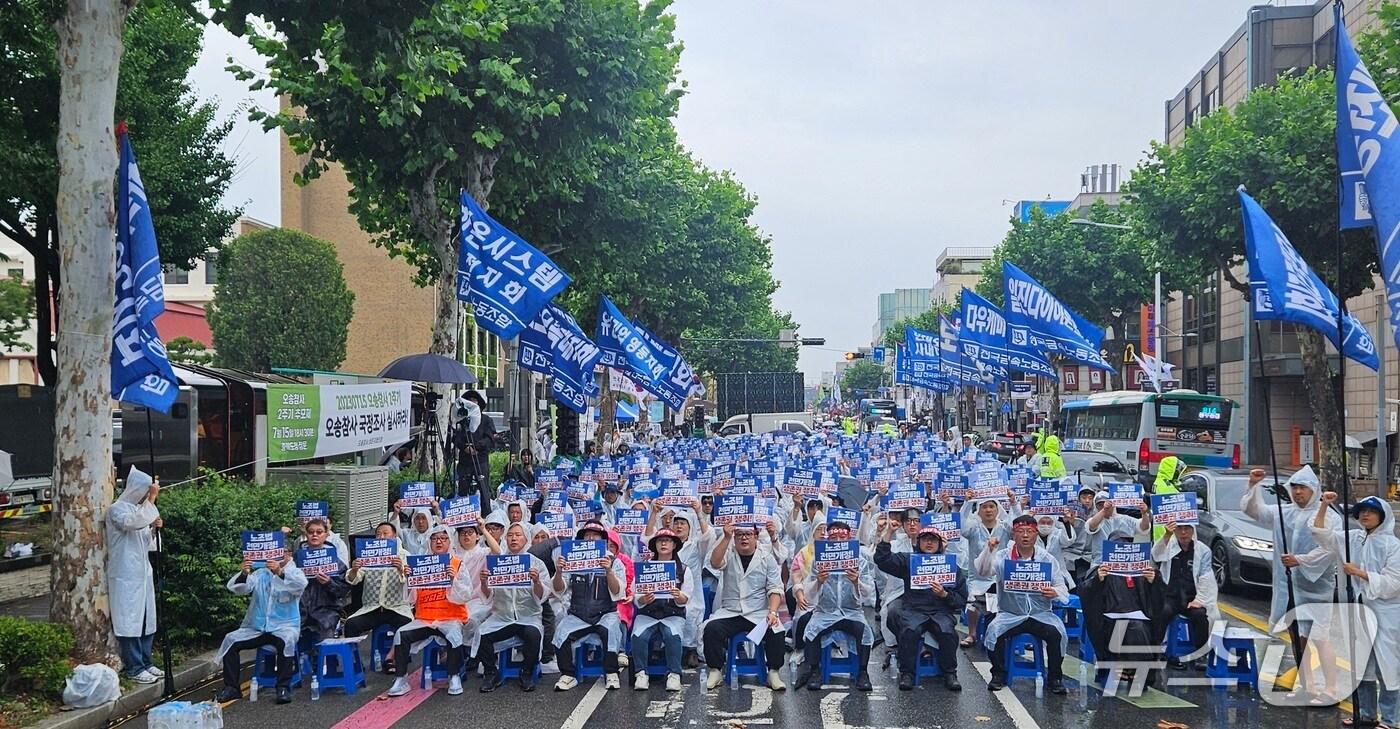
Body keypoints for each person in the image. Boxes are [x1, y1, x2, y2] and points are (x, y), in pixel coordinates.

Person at [1241, 465, 1341, 701]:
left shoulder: (1329, 516)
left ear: (1314, 490)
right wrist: (1253, 485)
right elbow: (1254, 510)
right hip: (1288, 589)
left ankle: (1331, 688)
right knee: (1297, 637)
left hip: (1315, 589)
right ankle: (1308, 687)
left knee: (1319, 638)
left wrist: (1301, 560)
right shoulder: (1285, 512)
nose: (1298, 493)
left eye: (1303, 488)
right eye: (1294, 487)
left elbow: (1330, 549)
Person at [1313, 493, 1400, 728]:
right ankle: (1365, 713)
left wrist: (1360, 573)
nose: (1365, 515)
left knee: (1387, 666)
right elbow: (1322, 535)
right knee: (1362, 665)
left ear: (1382, 516)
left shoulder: (1393, 546)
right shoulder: (1353, 538)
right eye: (1362, 511)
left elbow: (1393, 583)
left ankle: (1391, 719)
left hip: (1385, 615)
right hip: (1359, 612)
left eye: (1371, 511)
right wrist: (1323, 505)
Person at [974, 514, 1069, 693]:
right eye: (1020, 532)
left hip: (1041, 615)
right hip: (1010, 614)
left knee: (1057, 634)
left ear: (1035, 534)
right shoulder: (1003, 557)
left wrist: (1054, 592)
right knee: (994, 631)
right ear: (1013, 535)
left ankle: (1055, 678)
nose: (1025, 536)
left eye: (1030, 532)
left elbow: (1061, 587)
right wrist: (989, 550)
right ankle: (998, 674)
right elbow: (983, 571)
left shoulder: (1047, 559)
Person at [874, 516, 966, 691]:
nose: (929, 543)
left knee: (948, 632)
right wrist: (888, 533)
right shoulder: (909, 561)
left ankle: (950, 673)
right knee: (909, 631)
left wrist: (945, 594)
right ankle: (907, 673)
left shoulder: (951, 566)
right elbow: (882, 559)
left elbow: (961, 599)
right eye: (925, 540)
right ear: (918, 543)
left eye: (933, 540)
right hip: (914, 610)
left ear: (940, 544)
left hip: (940, 611)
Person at [386, 525, 474, 697]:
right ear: (429, 542)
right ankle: (401, 678)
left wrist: (453, 580)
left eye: (443, 538)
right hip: (425, 619)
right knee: (401, 635)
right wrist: (409, 579)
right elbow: (409, 599)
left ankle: (453, 675)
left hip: (450, 618)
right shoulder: (420, 565)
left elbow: (466, 594)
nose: (438, 542)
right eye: (434, 539)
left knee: (454, 635)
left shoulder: (457, 564)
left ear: (450, 541)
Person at [791, 515, 876, 691]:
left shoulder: (860, 561)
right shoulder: (819, 561)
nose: (837, 542)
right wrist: (819, 582)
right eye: (833, 538)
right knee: (812, 630)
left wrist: (856, 582)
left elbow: (869, 594)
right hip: (825, 611)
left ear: (849, 539)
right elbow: (809, 593)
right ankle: (815, 671)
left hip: (851, 611)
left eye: (842, 538)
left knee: (863, 630)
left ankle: (862, 672)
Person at [215, 545, 309, 704]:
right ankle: (231, 687)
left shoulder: (295, 572)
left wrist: (279, 572)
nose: (277, 557)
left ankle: (283, 687)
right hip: (257, 627)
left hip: (284, 626)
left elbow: (300, 586)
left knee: (285, 642)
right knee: (231, 641)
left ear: (289, 554)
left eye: (282, 552)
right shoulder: (260, 573)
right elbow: (241, 589)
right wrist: (244, 573)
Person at [703, 523, 787, 691]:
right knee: (712, 629)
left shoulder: (767, 557)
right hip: (731, 611)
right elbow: (715, 563)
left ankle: (773, 672)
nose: (744, 538)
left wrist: (772, 612)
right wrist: (726, 537)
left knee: (777, 629)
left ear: (756, 536)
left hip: (758, 612)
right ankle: (715, 670)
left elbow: (775, 588)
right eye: (739, 534)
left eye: (748, 534)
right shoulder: (728, 551)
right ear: (734, 537)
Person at [551, 520, 628, 691]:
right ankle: (568, 675)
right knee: (561, 633)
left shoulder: (614, 562)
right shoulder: (572, 559)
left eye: (595, 536)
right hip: (578, 614)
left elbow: (618, 592)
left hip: (605, 614)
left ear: (603, 540)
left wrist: (608, 571)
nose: (590, 539)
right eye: (587, 535)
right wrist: (558, 572)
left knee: (611, 632)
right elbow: (559, 589)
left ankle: (611, 672)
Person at [478, 522, 551, 693]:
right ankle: (491, 672)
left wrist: (537, 581)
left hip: (528, 616)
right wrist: (483, 582)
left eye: (518, 535)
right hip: (502, 617)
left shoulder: (536, 564)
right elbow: (488, 596)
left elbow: (542, 596)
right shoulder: (498, 563)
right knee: (481, 634)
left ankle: (526, 672)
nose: (514, 538)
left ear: (526, 539)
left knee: (533, 634)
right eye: (510, 535)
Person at [1080, 537, 1163, 687]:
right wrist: (1098, 580)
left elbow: (1159, 599)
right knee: (1127, 628)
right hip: (1109, 617)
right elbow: (1086, 593)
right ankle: (1125, 668)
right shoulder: (1100, 570)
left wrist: (1153, 581)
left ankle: (1135, 670)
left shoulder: (1143, 571)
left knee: (1140, 629)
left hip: (1139, 616)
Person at [105, 468, 162, 683]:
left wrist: (154, 529)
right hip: (125, 575)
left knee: (147, 619)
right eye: (146, 492)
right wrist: (152, 501)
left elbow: (147, 543)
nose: (147, 496)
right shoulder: (117, 510)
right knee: (129, 621)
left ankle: (146, 661)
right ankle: (135, 667)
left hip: (142, 573)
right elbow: (132, 523)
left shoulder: (140, 511)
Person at [343, 521, 413, 673]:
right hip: (372, 607)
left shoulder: (404, 556)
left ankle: (392, 658)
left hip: (396, 607)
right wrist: (355, 569)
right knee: (350, 625)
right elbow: (354, 579)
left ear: (394, 536)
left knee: (407, 624)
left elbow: (411, 581)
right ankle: (355, 662)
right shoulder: (368, 555)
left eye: (385, 533)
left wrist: (401, 569)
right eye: (378, 534)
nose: (381, 537)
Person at [629, 529, 694, 691]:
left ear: (674, 545)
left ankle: (674, 674)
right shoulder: (644, 568)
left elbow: (686, 598)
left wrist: (678, 596)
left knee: (672, 636)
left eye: (668, 540)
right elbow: (635, 594)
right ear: (655, 545)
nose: (663, 544)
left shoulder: (684, 570)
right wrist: (643, 599)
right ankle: (641, 673)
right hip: (648, 614)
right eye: (660, 541)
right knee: (638, 636)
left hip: (673, 615)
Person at [1150, 520, 1219, 670]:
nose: (1183, 532)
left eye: (1187, 528)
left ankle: (1201, 654)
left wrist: (1199, 600)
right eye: (1179, 528)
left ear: (1193, 530)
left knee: (1200, 615)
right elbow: (1156, 556)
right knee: (1163, 612)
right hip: (1170, 595)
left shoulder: (1203, 551)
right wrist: (1166, 535)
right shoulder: (1168, 545)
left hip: (1191, 597)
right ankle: (1157, 652)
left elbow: (1206, 577)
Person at [294, 518, 351, 663]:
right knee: (287, 634)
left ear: (326, 535)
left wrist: (329, 583)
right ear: (305, 534)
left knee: (325, 635)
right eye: (311, 532)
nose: (315, 535)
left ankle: (325, 668)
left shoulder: (335, 561)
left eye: (319, 532)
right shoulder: (296, 560)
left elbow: (343, 591)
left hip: (327, 610)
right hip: (299, 609)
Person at [453, 391, 496, 505]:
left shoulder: (486, 420)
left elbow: (490, 438)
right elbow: (455, 437)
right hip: (464, 461)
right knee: (463, 488)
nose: (472, 402)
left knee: (483, 488)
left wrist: (477, 447)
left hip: (480, 459)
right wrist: (464, 447)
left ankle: (486, 513)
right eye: (469, 400)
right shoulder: (461, 420)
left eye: (474, 400)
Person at [1149, 456, 1188, 541]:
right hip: (1167, 529)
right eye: (1177, 471)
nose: (1179, 473)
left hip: (1159, 526)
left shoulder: (1159, 481)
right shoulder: (1166, 486)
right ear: (1171, 471)